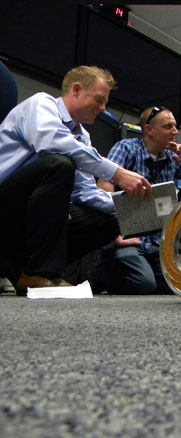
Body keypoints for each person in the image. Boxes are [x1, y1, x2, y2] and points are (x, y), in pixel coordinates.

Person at [0, 65, 152, 296]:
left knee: (114, 219)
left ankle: (24, 266)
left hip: (27, 221)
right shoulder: (41, 104)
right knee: (59, 164)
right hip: (5, 206)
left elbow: (85, 192)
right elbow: (51, 142)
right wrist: (117, 173)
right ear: (77, 90)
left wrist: (137, 207)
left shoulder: (81, 136)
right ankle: (39, 273)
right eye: (99, 100)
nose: (102, 109)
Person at [94, 106, 181, 294]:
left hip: (156, 243)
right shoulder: (127, 148)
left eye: (175, 127)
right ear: (149, 130)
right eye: (168, 126)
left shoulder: (170, 158)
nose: (175, 132)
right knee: (144, 285)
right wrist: (115, 235)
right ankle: (101, 273)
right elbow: (104, 185)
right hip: (128, 239)